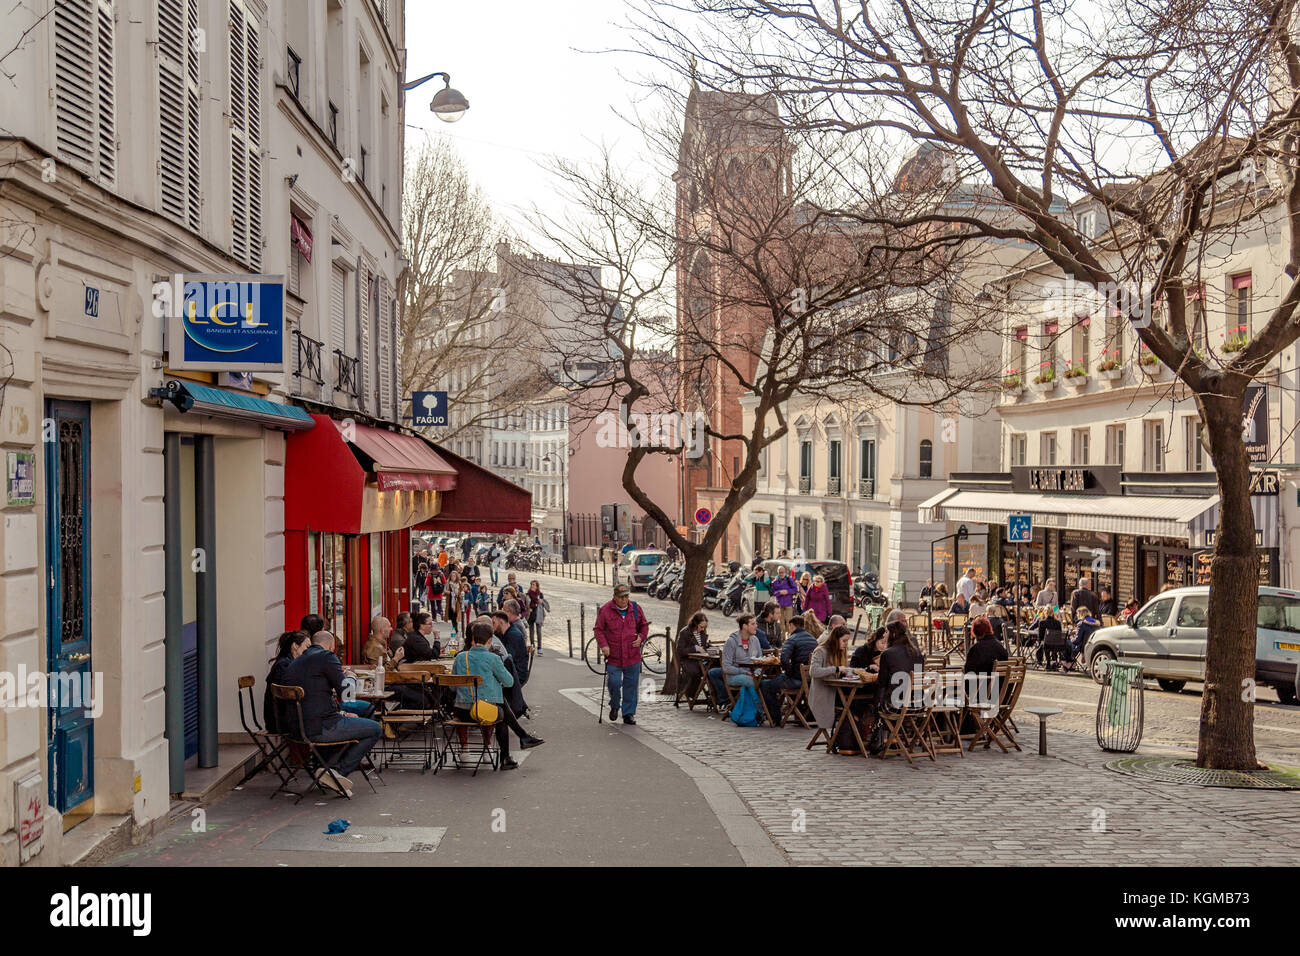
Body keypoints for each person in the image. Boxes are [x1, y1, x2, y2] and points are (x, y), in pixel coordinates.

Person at [283, 629, 382, 794]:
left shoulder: (296, 661)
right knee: (374, 729)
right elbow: (347, 694)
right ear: (331, 646)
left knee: (353, 719)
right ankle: (337, 773)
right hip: (320, 727)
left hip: (296, 729)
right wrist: (350, 676)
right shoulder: (327, 657)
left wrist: (341, 713)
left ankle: (327, 768)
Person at [450, 621, 521, 769]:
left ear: (473, 639)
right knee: (498, 712)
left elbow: (452, 686)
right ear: (489, 640)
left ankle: (464, 749)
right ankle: (490, 751)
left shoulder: (460, 657)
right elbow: (509, 682)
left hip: (462, 712)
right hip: (483, 712)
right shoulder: (493, 658)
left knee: (492, 707)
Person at [594, 584, 649, 725]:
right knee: (614, 682)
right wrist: (604, 645)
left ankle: (628, 714)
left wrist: (641, 637)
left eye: (626, 596)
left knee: (631, 685)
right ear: (615, 597)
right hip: (614, 656)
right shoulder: (606, 610)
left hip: (632, 655)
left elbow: (644, 625)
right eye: (621, 597)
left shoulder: (635, 608)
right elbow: (598, 630)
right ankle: (614, 704)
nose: (625, 600)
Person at [807, 625, 857, 752]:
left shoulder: (840, 652)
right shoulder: (821, 651)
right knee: (851, 705)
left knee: (857, 702)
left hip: (836, 691)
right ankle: (844, 739)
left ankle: (850, 738)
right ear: (836, 639)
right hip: (824, 694)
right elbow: (813, 671)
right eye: (844, 641)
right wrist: (835, 669)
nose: (846, 644)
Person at [760, 613, 818, 720]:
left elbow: (784, 660)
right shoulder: (813, 640)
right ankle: (800, 714)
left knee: (765, 685)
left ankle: (775, 717)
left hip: (796, 680)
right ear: (803, 626)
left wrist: (789, 673)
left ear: (791, 626)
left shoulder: (792, 639)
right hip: (810, 681)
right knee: (784, 684)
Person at [709, 614, 765, 717]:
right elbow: (726, 667)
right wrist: (745, 672)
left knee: (770, 682)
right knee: (755, 682)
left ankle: (765, 710)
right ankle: (759, 711)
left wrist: (757, 672)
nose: (756, 626)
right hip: (734, 676)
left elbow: (760, 660)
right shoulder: (731, 642)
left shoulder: (755, 640)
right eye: (753, 624)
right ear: (744, 626)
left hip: (753, 674)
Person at [264, 629, 311, 734]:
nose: (309, 651)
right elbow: (291, 696)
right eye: (307, 647)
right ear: (295, 646)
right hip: (281, 722)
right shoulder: (284, 665)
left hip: (280, 719)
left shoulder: (287, 663)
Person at [876, 620, 924, 713]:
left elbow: (882, 683)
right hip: (917, 705)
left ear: (893, 635)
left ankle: (879, 725)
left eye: (886, 632)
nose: (884, 635)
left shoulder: (887, 654)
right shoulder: (917, 653)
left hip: (894, 706)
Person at [675, 612, 711, 703]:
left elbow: (703, 646)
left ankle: (714, 695)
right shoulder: (685, 632)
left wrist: (710, 648)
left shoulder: (702, 633)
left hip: (702, 660)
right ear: (695, 624)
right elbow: (680, 650)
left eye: (704, 627)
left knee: (715, 670)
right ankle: (691, 694)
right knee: (699, 672)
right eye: (701, 627)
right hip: (689, 661)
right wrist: (695, 648)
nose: (703, 629)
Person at [524, 580, 550, 654]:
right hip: (531, 614)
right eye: (531, 584)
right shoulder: (528, 594)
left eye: (534, 584)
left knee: (539, 631)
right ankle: (533, 646)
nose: (532, 586)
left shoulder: (540, 594)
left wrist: (540, 601)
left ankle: (540, 647)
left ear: (537, 586)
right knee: (531, 631)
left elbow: (541, 603)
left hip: (538, 614)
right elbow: (526, 604)